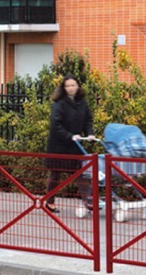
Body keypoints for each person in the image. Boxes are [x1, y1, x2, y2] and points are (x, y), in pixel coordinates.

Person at [45, 75, 96, 213]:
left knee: (80, 172)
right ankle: (49, 202)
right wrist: (70, 136)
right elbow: (56, 124)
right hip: (59, 144)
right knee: (55, 173)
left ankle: (88, 201)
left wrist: (89, 133)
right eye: (68, 86)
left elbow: (88, 120)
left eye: (73, 85)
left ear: (78, 86)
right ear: (63, 88)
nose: (71, 88)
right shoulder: (59, 103)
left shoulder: (82, 102)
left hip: (75, 144)